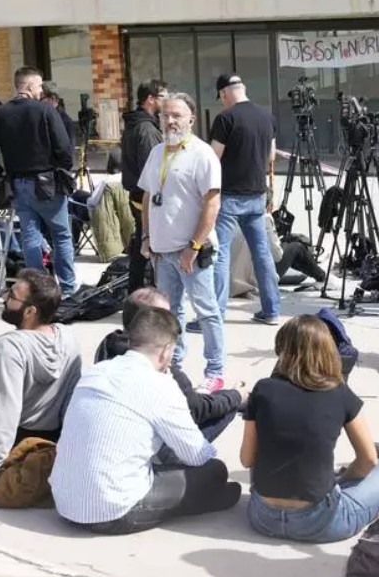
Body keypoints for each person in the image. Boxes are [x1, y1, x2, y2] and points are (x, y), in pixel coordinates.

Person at [50, 305, 241, 534]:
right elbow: (197, 455)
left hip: (64, 502)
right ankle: (205, 499)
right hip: (114, 511)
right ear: (166, 350)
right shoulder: (161, 385)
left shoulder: (97, 371)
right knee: (214, 470)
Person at [243, 315, 379, 543]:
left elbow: (247, 459)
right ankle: (346, 492)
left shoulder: (262, 389)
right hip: (320, 522)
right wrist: (344, 482)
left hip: (262, 517)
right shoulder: (339, 392)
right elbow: (368, 460)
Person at [0, 269, 81, 498]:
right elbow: (70, 401)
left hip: (10, 437)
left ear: (30, 311)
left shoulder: (9, 347)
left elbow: (6, 414)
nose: (5, 297)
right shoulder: (68, 338)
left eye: (12, 296)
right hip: (47, 434)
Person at [138, 93, 226, 392]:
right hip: (162, 251)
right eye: (165, 115)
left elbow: (212, 204)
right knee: (169, 313)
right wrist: (147, 237)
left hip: (191, 252)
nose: (170, 120)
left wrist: (194, 246)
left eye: (177, 115)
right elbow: (149, 196)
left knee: (206, 311)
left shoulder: (202, 154)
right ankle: (173, 367)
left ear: (192, 119)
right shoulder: (157, 152)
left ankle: (215, 371)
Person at [0, 67, 78, 295]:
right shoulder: (45, 110)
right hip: (47, 181)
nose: (41, 90)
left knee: (30, 236)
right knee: (61, 235)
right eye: (40, 86)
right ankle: (69, 288)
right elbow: (65, 149)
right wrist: (62, 169)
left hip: (18, 182)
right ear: (31, 87)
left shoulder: (0, 113)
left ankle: (38, 289)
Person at [95, 287, 245, 443]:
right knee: (226, 407)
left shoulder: (108, 344)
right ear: (146, 322)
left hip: (111, 432)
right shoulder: (159, 366)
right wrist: (235, 396)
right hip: (142, 441)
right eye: (164, 318)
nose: (171, 323)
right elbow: (197, 410)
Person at [210, 73, 281, 324]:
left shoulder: (225, 118)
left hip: (228, 196)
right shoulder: (267, 117)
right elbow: (270, 157)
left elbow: (212, 158)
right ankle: (272, 310)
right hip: (257, 196)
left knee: (220, 255)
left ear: (224, 93)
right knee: (262, 254)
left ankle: (216, 314)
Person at [120, 80, 168, 292]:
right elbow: (153, 169)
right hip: (146, 198)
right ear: (150, 99)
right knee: (147, 247)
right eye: (163, 97)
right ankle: (142, 293)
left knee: (143, 245)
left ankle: (137, 292)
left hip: (138, 194)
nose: (166, 102)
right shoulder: (147, 129)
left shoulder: (137, 124)